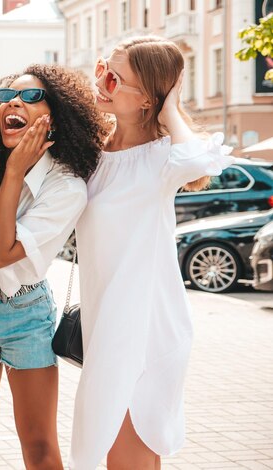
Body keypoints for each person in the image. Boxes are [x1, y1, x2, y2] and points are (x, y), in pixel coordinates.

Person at [70, 36, 234, 470]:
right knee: (111, 447)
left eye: (115, 76)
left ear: (146, 98)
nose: (101, 81)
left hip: (144, 326)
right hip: (104, 323)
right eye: (102, 66)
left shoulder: (162, 158)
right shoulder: (94, 155)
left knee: (127, 451)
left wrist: (171, 109)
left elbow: (201, 161)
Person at [0, 64, 107, 470]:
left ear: (56, 117)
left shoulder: (65, 186)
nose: (13, 102)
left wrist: (16, 171)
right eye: (5, 97)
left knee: (37, 444)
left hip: (24, 313)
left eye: (32, 97)